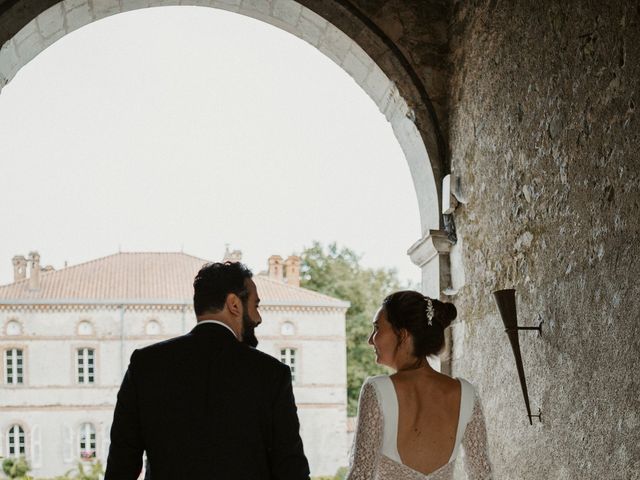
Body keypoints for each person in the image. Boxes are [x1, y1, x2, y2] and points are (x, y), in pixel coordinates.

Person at [104, 261, 310, 480]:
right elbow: (291, 469)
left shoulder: (145, 365)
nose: (258, 318)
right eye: (255, 305)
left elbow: (121, 465)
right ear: (234, 304)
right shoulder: (271, 374)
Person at [346, 291, 492, 480]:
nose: (370, 339)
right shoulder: (466, 393)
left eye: (377, 328)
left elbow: (361, 475)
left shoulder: (377, 390)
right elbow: (482, 474)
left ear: (403, 334)